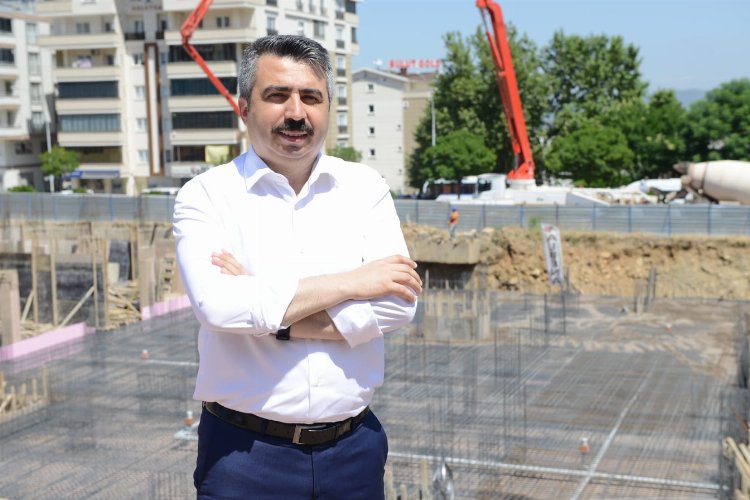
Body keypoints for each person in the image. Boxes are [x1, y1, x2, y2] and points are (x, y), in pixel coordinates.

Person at [173, 35, 422, 499]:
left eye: (311, 96)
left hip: (354, 451)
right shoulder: (206, 196)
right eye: (277, 95)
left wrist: (266, 306)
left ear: (328, 108)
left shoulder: (365, 188)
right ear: (244, 107)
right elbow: (218, 307)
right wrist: (352, 283)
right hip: (244, 456)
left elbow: (398, 306)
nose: (296, 112)